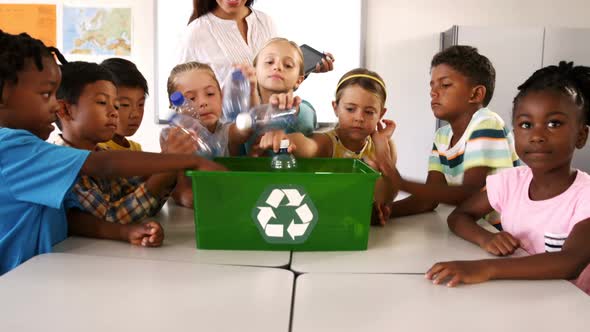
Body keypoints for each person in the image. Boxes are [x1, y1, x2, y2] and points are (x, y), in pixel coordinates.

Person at [0, 31, 224, 275]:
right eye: (46, 94)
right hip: (16, 283)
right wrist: (185, 160)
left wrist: (124, 232)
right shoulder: (12, 148)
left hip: (41, 275)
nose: (55, 105)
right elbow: (103, 165)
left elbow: (71, 217)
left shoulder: (30, 150)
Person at [424, 61, 590, 294]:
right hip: (518, 296)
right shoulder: (510, 182)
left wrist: (486, 268)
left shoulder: (585, 196)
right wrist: (486, 239)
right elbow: (459, 216)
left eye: (554, 123)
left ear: (581, 135)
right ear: (514, 133)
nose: (537, 135)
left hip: (572, 309)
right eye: (526, 124)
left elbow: (569, 262)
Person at [384, 46, 519, 229]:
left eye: (445, 85)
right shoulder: (442, 136)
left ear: (476, 94)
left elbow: (470, 193)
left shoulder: (486, 123)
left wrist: (401, 183)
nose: (433, 92)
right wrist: (383, 212)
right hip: (479, 229)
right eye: (431, 86)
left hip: (506, 232)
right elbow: (428, 201)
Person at [261, 68, 398, 224]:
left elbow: (389, 195)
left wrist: (383, 155)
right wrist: (285, 139)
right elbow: (307, 145)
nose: (359, 118)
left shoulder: (386, 147)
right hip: (323, 223)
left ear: (381, 114)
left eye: (369, 112)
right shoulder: (328, 143)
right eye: (350, 109)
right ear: (335, 108)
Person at [54, 61, 184, 225]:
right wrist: (168, 165)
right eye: (102, 102)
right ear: (65, 110)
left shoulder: (102, 152)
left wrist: (168, 164)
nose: (114, 112)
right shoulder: (61, 164)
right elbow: (112, 217)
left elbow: (132, 194)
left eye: (116, 105)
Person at [177, 0, 333, 86]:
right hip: (227, 135)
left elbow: (275, 85)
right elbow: (182, 95)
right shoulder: (195, 33)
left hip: (270, 126)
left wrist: (300, 73)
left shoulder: (265, 22)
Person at [98, 58, 148, 151]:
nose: (136, 114)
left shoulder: (136, 149)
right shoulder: (97, 148)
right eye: (124, 105)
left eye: (141, 104)